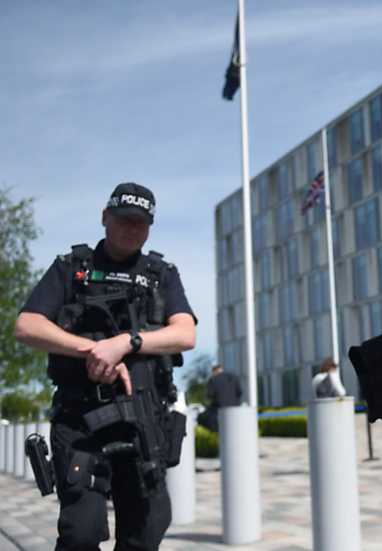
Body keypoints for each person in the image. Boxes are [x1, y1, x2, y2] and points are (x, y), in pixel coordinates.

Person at [13, 183, 196, 551]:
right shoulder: (72, 268)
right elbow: (27, 325)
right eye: (123, 219)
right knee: (80, 533)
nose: (131, 228)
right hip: (81, 421)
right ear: (104, 217)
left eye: (140, 223)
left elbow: (185, 333)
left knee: (146, 531)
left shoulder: (161, 273)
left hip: (144, 423)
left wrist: (127, 342)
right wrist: (93, 351)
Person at [200, 364, 243, 432]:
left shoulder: (213, 379)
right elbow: (240, 392)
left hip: (219, 411)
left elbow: (209, 395)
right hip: (235, 410)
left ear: (214, 371)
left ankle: (215, 434)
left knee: (202, 418)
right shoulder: (234, 377)